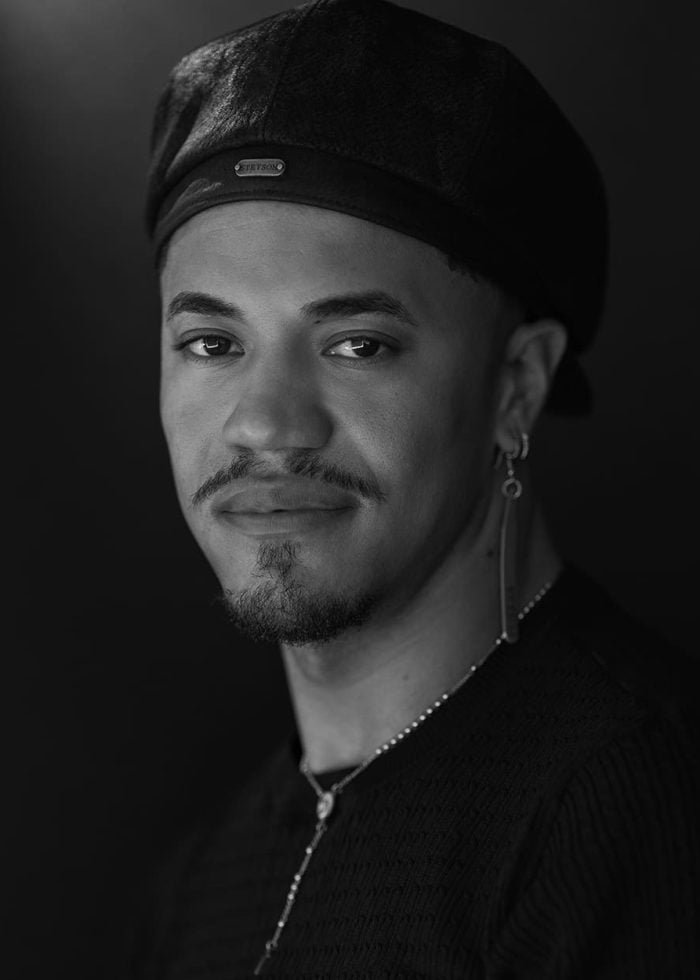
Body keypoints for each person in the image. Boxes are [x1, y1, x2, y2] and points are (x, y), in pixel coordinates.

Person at [129, 0, 700, 976]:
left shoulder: (639, 804)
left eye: (358, 343)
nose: (265, 422)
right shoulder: (201, 882)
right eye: (211, 343)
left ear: (515, 385)